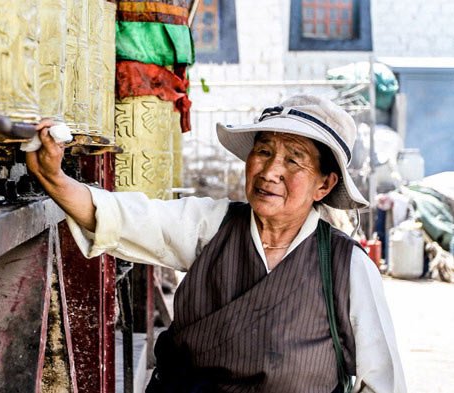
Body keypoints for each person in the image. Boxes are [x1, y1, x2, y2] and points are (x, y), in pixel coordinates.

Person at [25, 95, 406, 393]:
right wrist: (56, 180)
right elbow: (127, 218)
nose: (270, 171)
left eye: (294, 160)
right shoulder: (213, 225)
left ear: (324, 185)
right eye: (264, 151)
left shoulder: (346, 266)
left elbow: (383, 383)